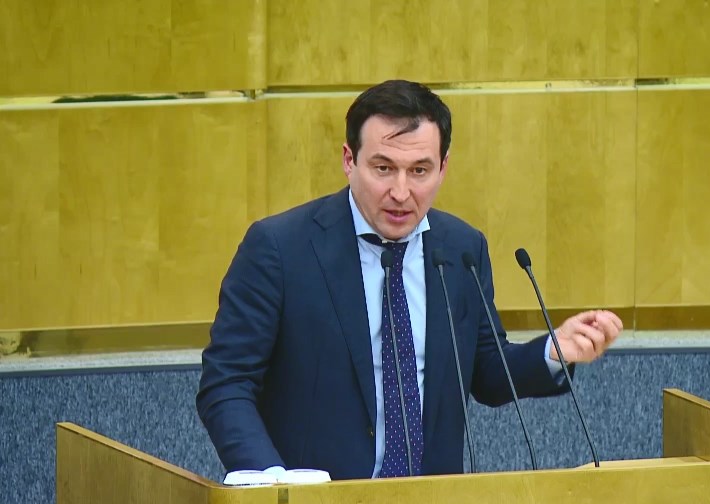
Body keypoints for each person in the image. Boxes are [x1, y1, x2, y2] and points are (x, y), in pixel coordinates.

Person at [196, 80, 623, 480]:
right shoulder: (280, 248)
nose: (401, 192)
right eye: (383, 168)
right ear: (349, 160)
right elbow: (226, 383)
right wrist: (274, 485)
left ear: (443, 168)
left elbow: (487, 372)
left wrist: (553, 350)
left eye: (419, 171)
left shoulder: (461, 248)